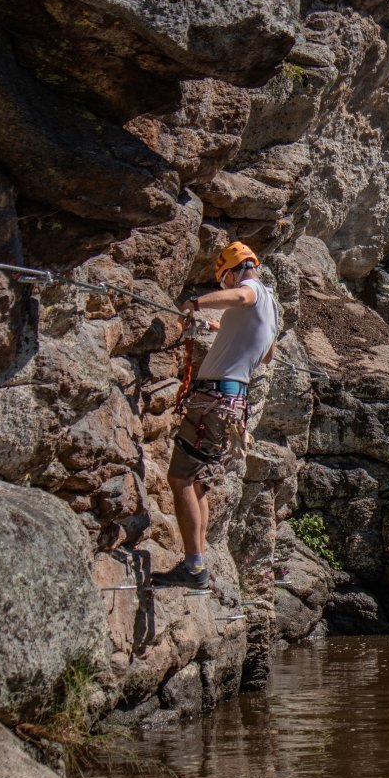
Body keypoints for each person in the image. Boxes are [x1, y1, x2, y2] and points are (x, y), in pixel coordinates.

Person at [151, 242, 280, 590]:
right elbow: (266, 354)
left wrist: (195, 303)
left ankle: (194, 568)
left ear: (234, 271)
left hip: (214, 400)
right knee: (197, 485)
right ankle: (197, 561)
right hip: (232, 404)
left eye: (225, 280)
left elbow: (239, 298)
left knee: (179, 480)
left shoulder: (249, 289)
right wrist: (216, 327)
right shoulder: (273, 305)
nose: (226, 288)